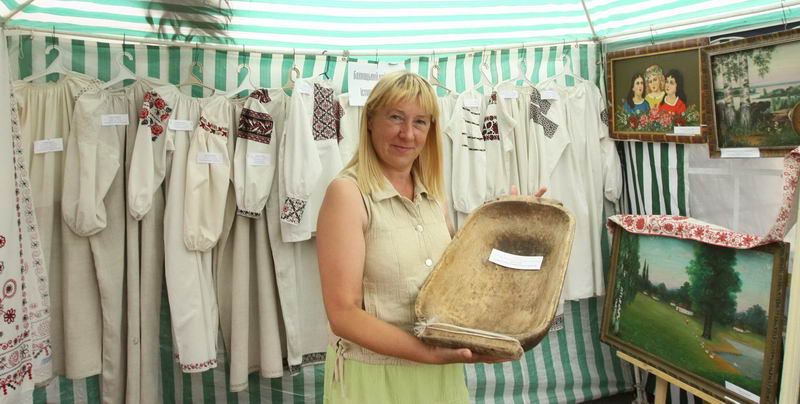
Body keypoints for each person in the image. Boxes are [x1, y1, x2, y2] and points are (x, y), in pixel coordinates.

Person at [316, 70, 544, 403]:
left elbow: (455, 283)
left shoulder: (434, 195)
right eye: (396, 117)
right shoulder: (347, 194)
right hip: (377, 378)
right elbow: (343, 315)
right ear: (370, 121)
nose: (407, 134)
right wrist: (427, 354)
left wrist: (508, 226)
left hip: (439, 376)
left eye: (420, 122)